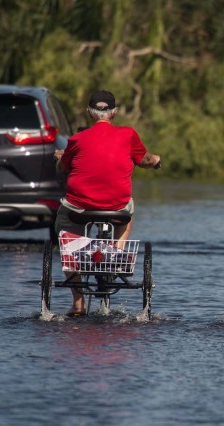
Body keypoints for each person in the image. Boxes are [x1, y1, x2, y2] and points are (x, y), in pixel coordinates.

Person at [54, 90, 161, 316]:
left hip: (78, 208)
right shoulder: (128, 135)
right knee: (128, 209)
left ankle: (78, 301)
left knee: (65, 229)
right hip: (116, 208)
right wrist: (156, 160)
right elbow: (144, 160)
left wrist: (60, 157)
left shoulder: (76, 140)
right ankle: (117, 252)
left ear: (89, 113)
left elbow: (63, 168)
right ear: (114, 112)